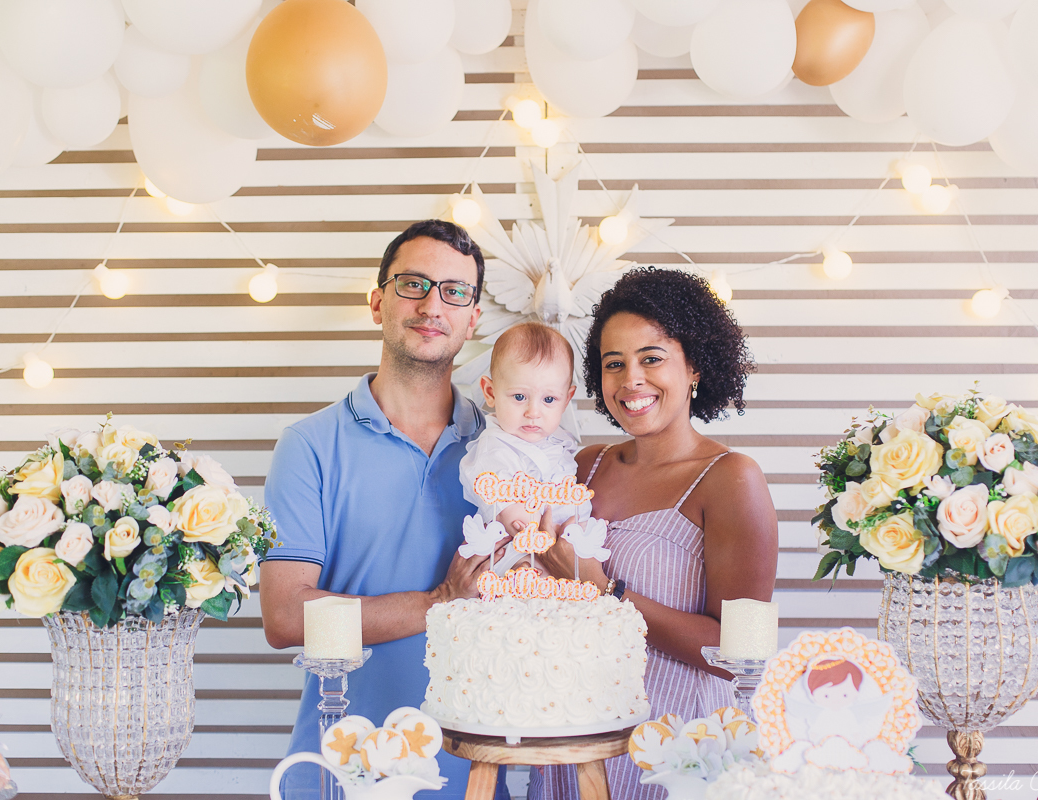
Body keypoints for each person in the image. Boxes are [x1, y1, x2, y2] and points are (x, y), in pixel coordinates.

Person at [260, 220, 509, 800]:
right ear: (377, 302)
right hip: (337, 771)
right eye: (413, 284)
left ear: (473, 319)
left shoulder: (501, 451)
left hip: (470, 774)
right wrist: (439, 603)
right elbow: (285, 617)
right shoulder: (308, 446)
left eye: (454, 291)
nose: (432, 304)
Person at [528, 267, 780, 800]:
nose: (631, 380)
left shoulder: (732, 479)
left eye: (652, 358)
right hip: (574, 736)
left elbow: (736, 652)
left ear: (694, 366)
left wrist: (605, 592)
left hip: (676, 748)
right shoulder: (582, 467)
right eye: (613, 364)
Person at [458, 322, 586, 572]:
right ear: (490, 392)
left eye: (549, 399)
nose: (533, 413)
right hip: (514, 553)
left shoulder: (559, 443)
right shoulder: (493, 451)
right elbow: (516, 521)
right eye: (519, 397)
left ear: (566, 399)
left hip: (565, 552)